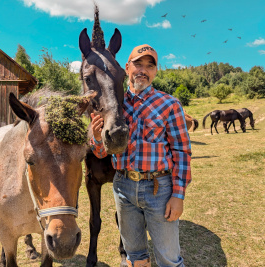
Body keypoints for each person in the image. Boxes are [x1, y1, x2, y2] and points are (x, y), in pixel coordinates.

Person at [90, 44, 192, 267]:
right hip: (123, 186)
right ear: (127, 68)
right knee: (134, 256)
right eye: (138, 64)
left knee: (169, 258)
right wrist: (97, 137)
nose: (143, 70)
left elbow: (182, 152)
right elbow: (101, 153)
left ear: (156, 72)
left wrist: (178, 195)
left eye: (149, 66)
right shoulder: (113, 104)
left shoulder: (170, 104)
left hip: (159, 188)